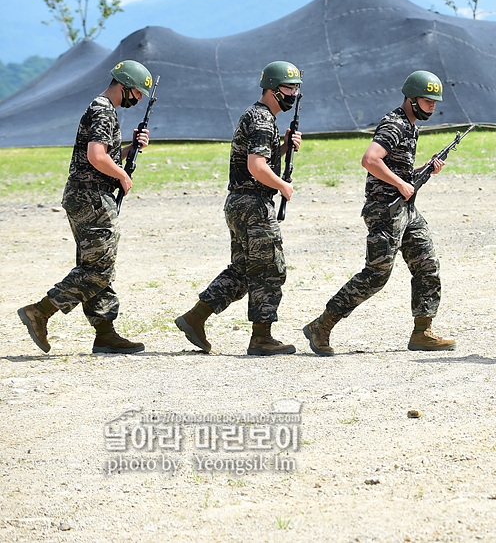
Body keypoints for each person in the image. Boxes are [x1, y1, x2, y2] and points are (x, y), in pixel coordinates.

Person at [302, 71, 456, 355]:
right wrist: (400, 183)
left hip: (405, 209)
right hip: (385, 210)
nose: (432, 106)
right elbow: (370, 160)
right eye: (427, 101)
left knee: (427, 264)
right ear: (411, 99)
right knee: (376, 275)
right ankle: (321, 325)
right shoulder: (395, 124)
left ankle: (422, 332)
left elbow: (400, 170)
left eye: (435, 102)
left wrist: (424, 169)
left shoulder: (411, 127)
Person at [17, 60, 152, 355]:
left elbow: (104, 154)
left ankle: (105, 334)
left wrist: (131, 149)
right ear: (125, 86)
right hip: (92, 197)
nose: (139, 98)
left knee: (94, 263)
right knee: (99, 268)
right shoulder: (103, 109)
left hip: (84, 195)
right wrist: (122, 175)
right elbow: (96, 156)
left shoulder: (103, 109)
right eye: (138, 93)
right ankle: (40, 311)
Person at [175, 61, 303, 356]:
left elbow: (260, 159)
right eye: (288, 88)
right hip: (253, 205)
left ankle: (195, 317)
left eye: (297, 88)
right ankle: (261, 338)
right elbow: (256, 166)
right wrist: (282, 185)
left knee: (244, 270)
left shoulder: (260, 117)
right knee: (270, 268)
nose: (293, 94)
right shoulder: (261, 120)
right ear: (272, 89)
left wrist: (283, 147)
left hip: (240, 204)